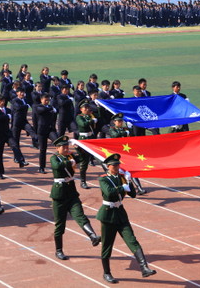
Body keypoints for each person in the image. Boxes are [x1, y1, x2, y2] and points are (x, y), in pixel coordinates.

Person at [96, 153, 156, 283]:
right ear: (108, 166)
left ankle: (144, 268)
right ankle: (107, 273)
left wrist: (129, 181)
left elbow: (133, 195)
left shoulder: (122, 178)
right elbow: (109, 192)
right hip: (108, 215)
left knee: (132, 240)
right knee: (107, 245)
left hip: (120, 214)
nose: (117, 167)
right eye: (114, 165)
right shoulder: (104, 179)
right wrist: (122, 187)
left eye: (118, 165)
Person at [50, 135, 100, 260]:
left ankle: (93, 236)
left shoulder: (71, 156)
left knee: (80, 216)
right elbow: (57, 166)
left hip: (72, 193)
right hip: (59, 195)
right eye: (63, 147)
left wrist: (79, 148)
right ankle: (59, 250)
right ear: (57, 148)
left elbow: (82, 158)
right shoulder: (54, 157)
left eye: (67, 146)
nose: (66, 149)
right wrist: (71, 161)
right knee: (60, 225)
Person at [75, 101, 96, 189]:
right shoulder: (79, 117)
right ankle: (83, 181)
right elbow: (83, 124)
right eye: (85, 108)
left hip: (91, 139)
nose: (87, 109)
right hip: (83, 140)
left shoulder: (90, 116)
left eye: (88, 108)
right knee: (84, 162)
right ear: (81, 109)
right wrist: (92, 120)